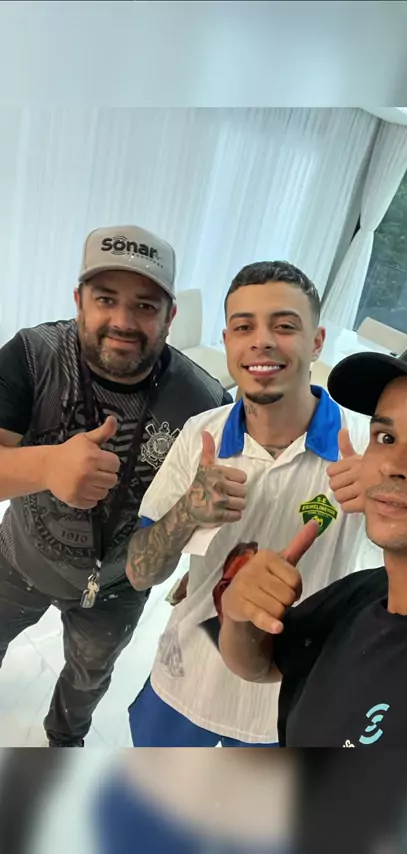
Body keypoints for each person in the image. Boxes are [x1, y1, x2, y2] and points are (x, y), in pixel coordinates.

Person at [126, 260, 379, 747]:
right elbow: (140, 573)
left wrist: (385, 504)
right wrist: (187, 514)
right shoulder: (201, 434)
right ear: (227, 342)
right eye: (244, 327)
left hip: (291, 702)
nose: (261, 341)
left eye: (284, 326)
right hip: (186, 681)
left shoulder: (367, 447)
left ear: (317, 341)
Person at [0, 224, 231, 747]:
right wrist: (47, 466)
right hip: (17, 560)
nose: (123, 322)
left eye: (145, 306)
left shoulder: (204, 402)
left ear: (170, 316)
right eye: (106, 299)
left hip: (118, 588)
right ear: (79, 300)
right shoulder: (33, 356)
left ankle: (64, 746)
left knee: (86, 683)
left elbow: (217, 494)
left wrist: (202, 568)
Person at [219, 316, 407, 747]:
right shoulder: (363, 595)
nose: (392, 464)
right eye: (385, 436)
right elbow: (259, 666)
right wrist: (240, 615)